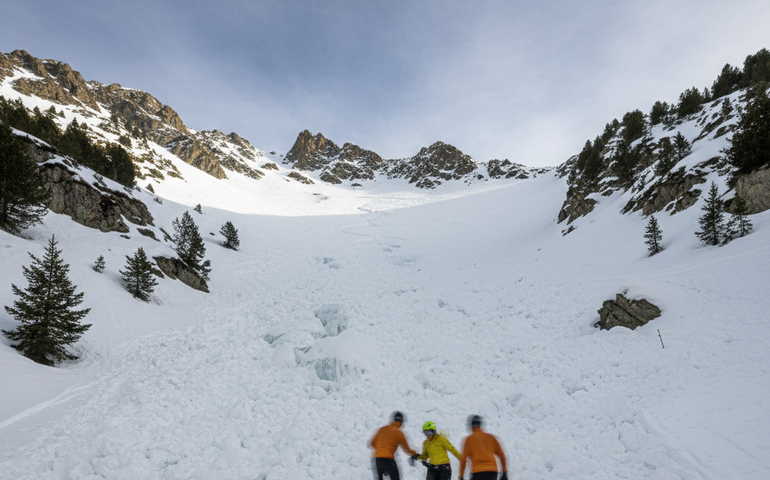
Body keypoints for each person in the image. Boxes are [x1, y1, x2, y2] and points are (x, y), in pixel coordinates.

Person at [369, 411, 419, 480]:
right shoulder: (398, 432)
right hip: (388, 460)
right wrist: (415, 454)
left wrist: (381, 448)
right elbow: (407, 449)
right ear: (401, 422)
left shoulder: (382, 429)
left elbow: (372, 444)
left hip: (378, 460)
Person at [459, 415, 508, 480]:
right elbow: (502, 455)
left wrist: (461, 476)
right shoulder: (491, 438)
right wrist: (504, 472)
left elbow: (463, 460)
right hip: (492, 472)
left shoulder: (469, 439)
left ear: (471, 426)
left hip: (477, 472)